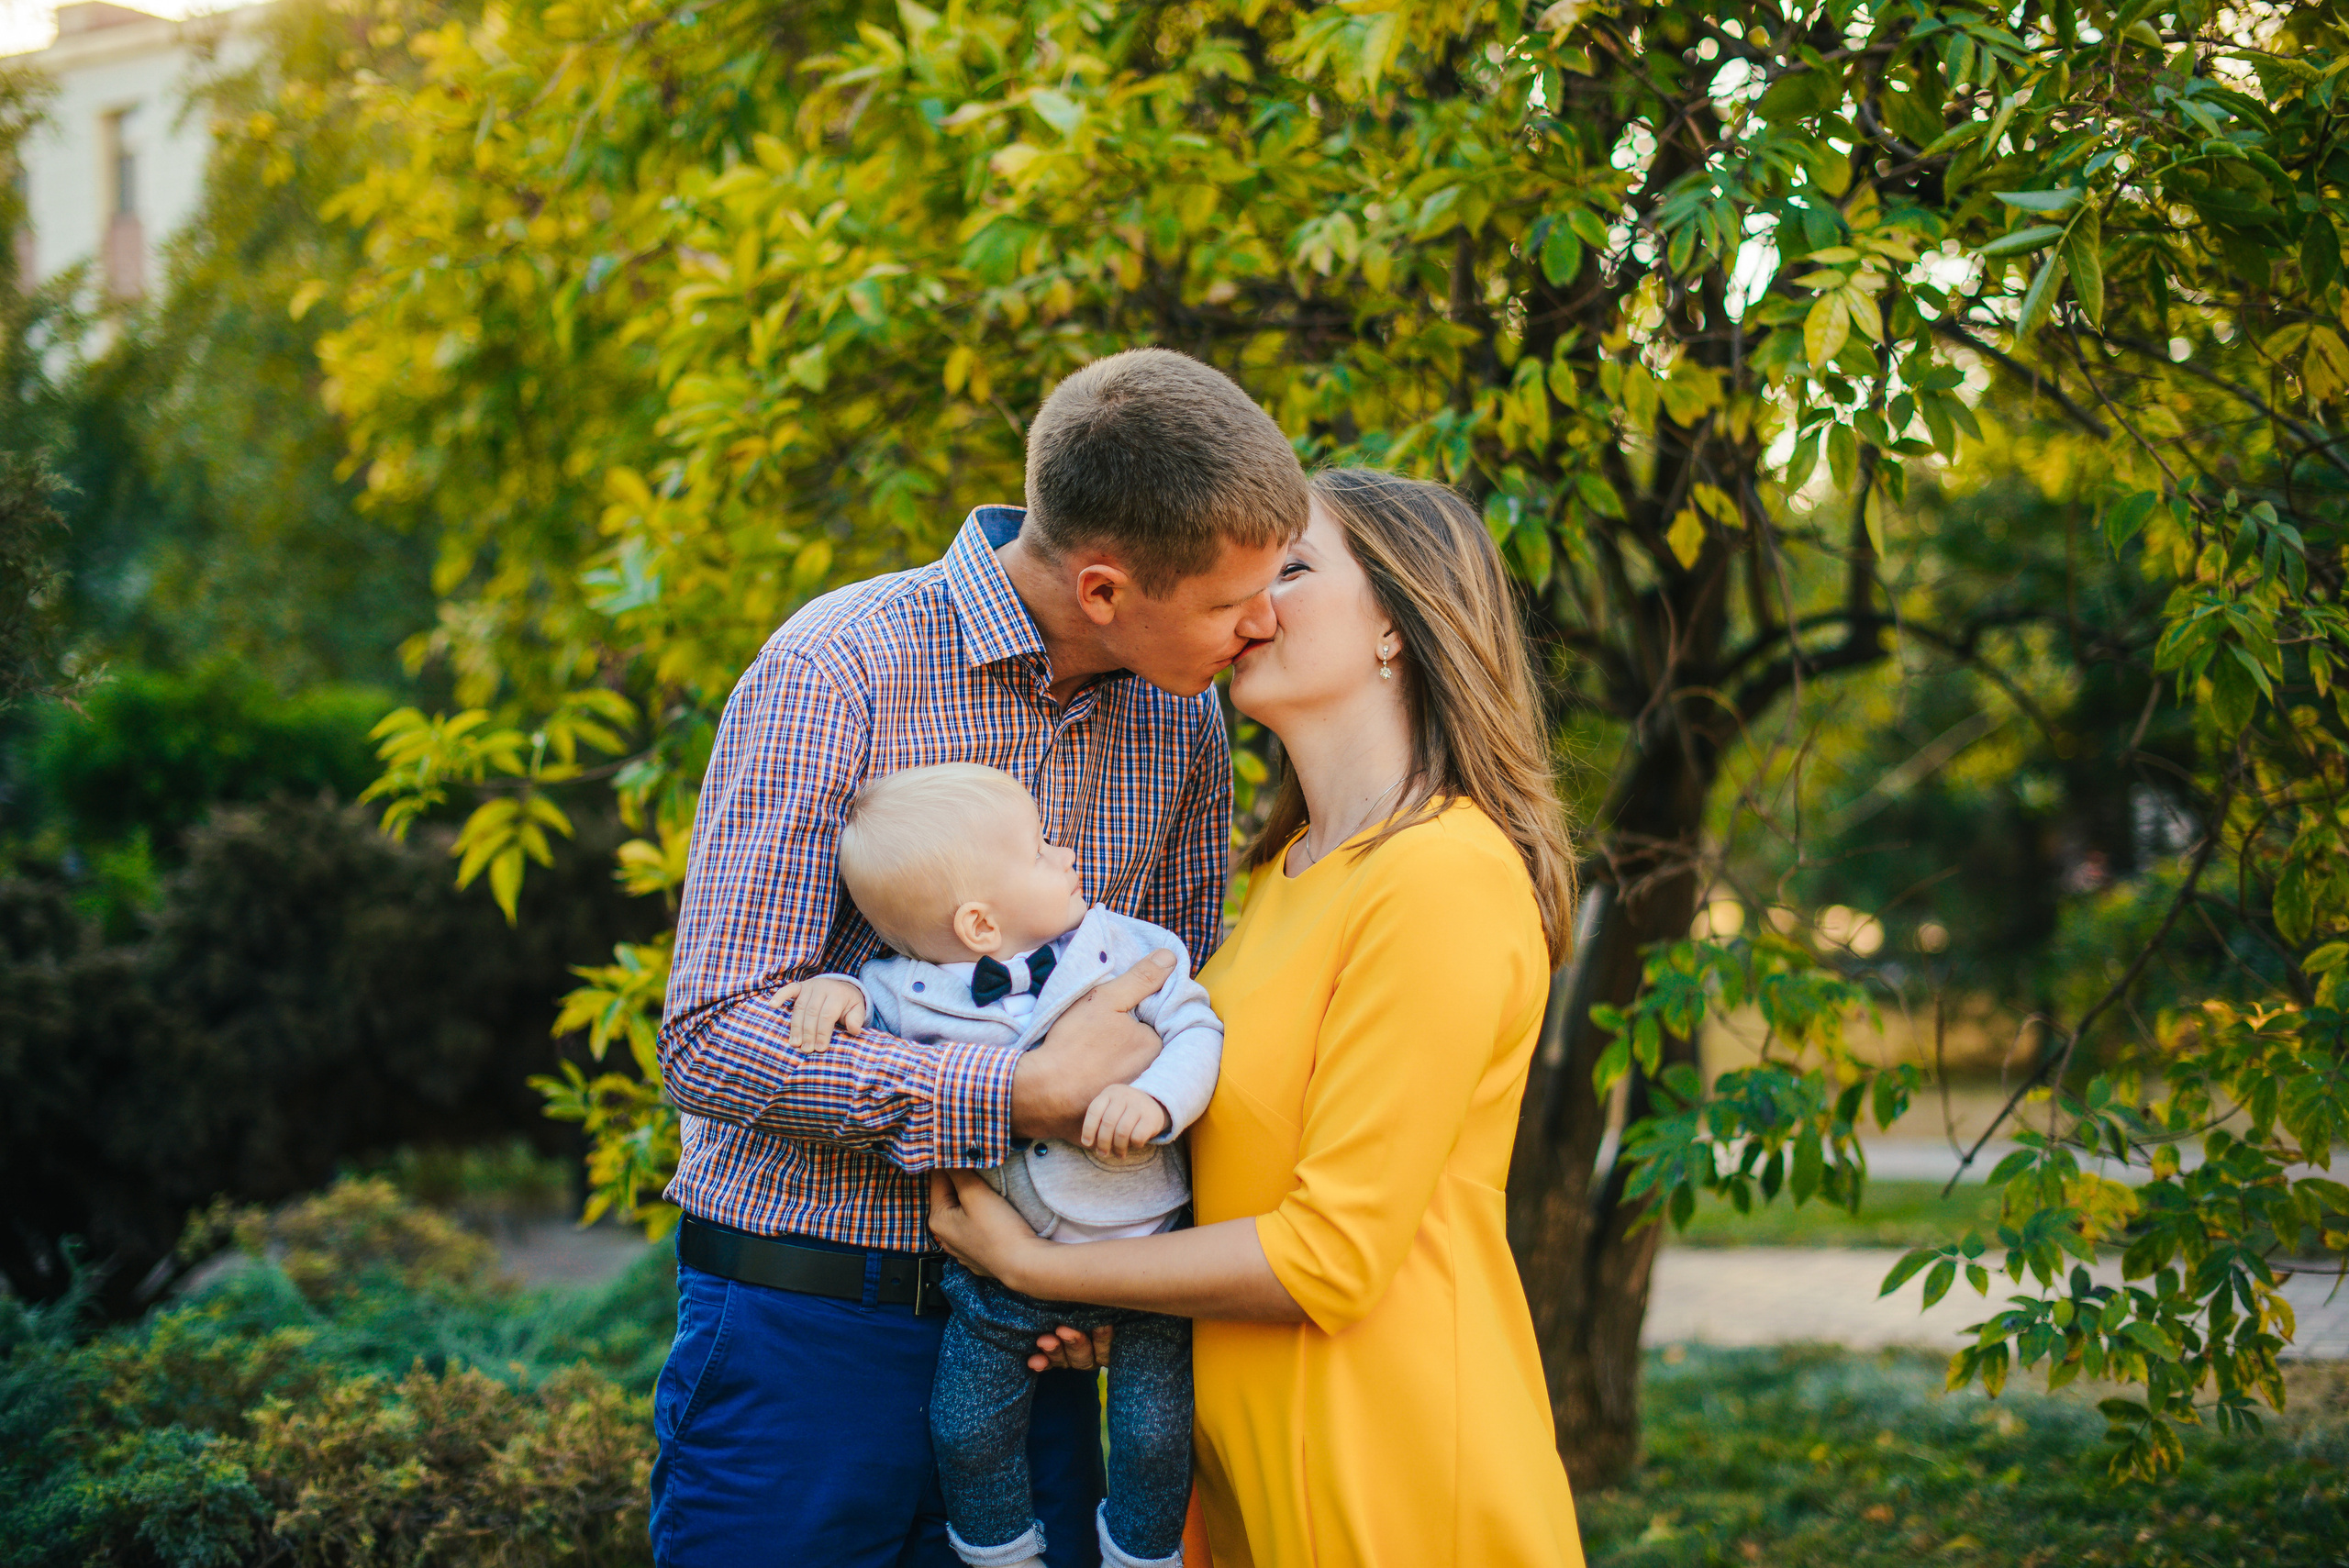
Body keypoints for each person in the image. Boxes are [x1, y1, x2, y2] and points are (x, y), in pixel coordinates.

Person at [651, 347, 1307, 1568]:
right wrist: (1013, 1093)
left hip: (1039, 1336)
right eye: (1234, 601)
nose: (1264, 622)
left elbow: (1175, 1002)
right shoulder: (836, 666)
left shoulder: (1182, 722)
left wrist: (1132, 1280)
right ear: (1103, 588)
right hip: (809, 1325)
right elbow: (708, 1038)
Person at [930, 468, 1586, 1567]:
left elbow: (1328, 1254)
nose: (1249, 604)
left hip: (1385, 1465)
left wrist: (1042, 1269)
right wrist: (1119, 1290)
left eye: (1291, 567)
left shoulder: (1443, 873)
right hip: (1243, 1458)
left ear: (1398, 621)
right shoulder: (1286, 875)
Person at [785, 762, 1220, 1568]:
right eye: (1041, 848)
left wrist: (1158, 1101)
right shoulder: (907, 990)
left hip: (1151, 1252)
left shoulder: (1127, 948)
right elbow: (866, 1012)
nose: (1067, 852)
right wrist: (840, 991)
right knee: (965, 1428)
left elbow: (1198, 1030)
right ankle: (999, 1553)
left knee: (1154, 1436)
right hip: (999, 1278)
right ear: (979, 924)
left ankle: (1144, 1556)